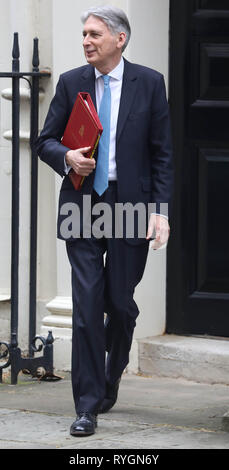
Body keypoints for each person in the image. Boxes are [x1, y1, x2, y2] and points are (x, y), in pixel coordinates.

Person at [36, 5, 173, 437]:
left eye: (95, 34)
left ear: (120, 39)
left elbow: (162, 153)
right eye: (84, 35)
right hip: (82, 202)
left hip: (130, 203)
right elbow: (45, 140)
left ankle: (112, 374)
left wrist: (160, 213)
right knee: (87, 305)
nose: (87, 41)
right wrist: (66, 157)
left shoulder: (149, 83)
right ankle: (87, 406)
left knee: (120, 304)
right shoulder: (71, 82)